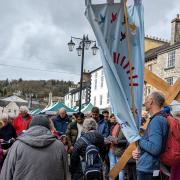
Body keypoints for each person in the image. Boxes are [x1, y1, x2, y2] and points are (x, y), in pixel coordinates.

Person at [0, 115, 68, 180]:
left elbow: (6, 174)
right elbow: (65, 172)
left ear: (29, 127)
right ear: (49, 127)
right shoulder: (59, 146)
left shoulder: (17, 146)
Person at [132, 91, 169, 180]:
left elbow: (155, 148)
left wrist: (138, 139)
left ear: (151, 101)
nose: (145, 102)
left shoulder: (157, 120)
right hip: (150, 168)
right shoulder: (160, 118)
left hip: (148, 170)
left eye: (147, 99)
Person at [108, 114, 127, 180]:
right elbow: (112, 135)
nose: (115, 118)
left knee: (121, 169)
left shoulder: (125, 126)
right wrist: (109, 139)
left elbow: (128, 140)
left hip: (120, 150)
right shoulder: (115, 125)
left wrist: (118, 141)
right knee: (112, 167)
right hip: (112, 149)